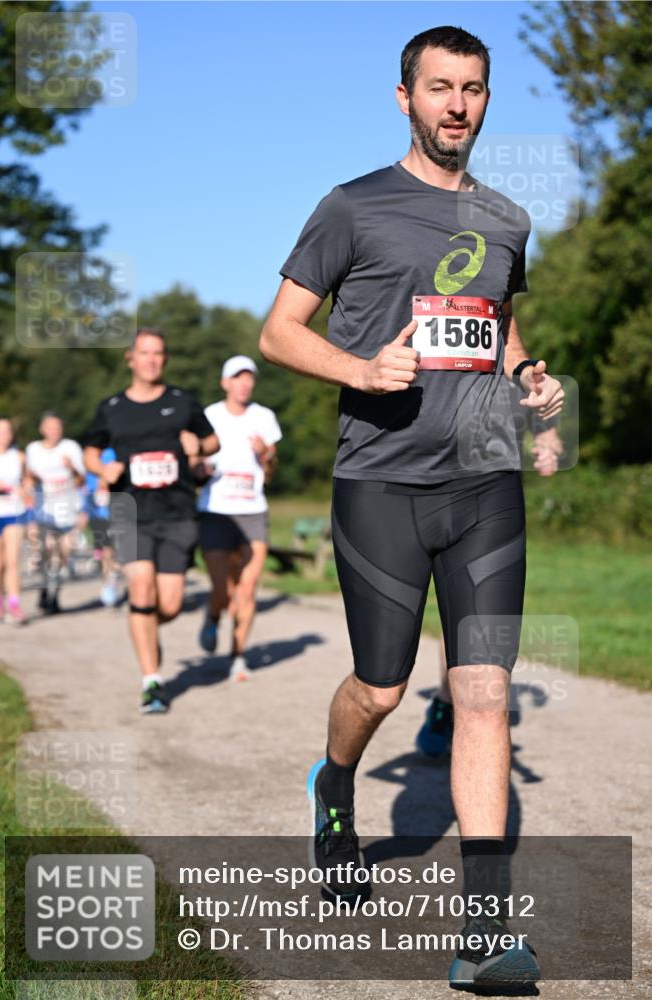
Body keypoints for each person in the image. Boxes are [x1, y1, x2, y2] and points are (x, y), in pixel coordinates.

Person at [260, 25, 565, 990]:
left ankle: (482, 938)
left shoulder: (508, 217)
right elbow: (277, 333)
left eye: (472, 89)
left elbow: (499, 322)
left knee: (481, 693)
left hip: (484, 482)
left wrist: (529, 383)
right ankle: (335, 782)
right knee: (382, 689)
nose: (456, 106)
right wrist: (360, 367)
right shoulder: (351, 208)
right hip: (379, 480)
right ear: (404, 97)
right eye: (439, 88)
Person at [83, 328, 219, 714]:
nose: (152, 360)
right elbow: (90, 451)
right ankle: (152, 682)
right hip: (130, 511)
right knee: (140, 587)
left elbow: (212, 442)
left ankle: (144, 628)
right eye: (144, 353)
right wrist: (102, 467)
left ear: (165, 359)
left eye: (158, 353)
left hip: (177, 511)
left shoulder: (183, 401)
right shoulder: (112, 407)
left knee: (171, 604)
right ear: (131, 358)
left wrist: (198, 447)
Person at [417, 422, 563, 756]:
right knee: (455, 611)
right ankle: (444, 700)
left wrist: (545, 432)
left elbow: (526, 377)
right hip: (420, 480)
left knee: (473, 610)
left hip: (492, 487)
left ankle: (446, 704)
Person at [192, 355, 282, 680]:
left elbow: (271, 471)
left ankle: (239, 656)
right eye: (237, 377)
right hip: (215, 510)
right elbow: (193, 463)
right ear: (224, 383)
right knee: (223, 591)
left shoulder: (264, 417)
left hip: (252, 511)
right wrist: (198, 468)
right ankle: (213, 616)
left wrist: (265, 454)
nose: (244, 383)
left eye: (249, 378)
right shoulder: (208, 416)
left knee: (247, 589)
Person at [25, 412, 85, 614]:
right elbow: (27, 479)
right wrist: (30, 483)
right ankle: (43, 589)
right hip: (44, 511)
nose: (54, 431)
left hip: (68, 510)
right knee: (46, 552)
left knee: (63, 556)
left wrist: (73, 469)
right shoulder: (33, 449)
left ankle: (55, 595)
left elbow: (82, 481)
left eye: (58, 427)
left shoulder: (71, 448)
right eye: (50, 427)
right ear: (42, 429)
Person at [0, 416, 28, 624]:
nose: (4, 435)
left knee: (13, 561)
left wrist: (25, 490)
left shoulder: (19, 457)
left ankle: (14, 604)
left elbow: (28, 483)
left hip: (14, 511)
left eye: (8, 431)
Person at [83, 446, 122, 607]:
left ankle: (114, 578)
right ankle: (110, 583)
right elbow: (87, 484)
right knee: (107, 550)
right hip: (99, 512)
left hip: (119, 507)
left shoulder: (117, 449)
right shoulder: (91, 452)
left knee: (117, 551)